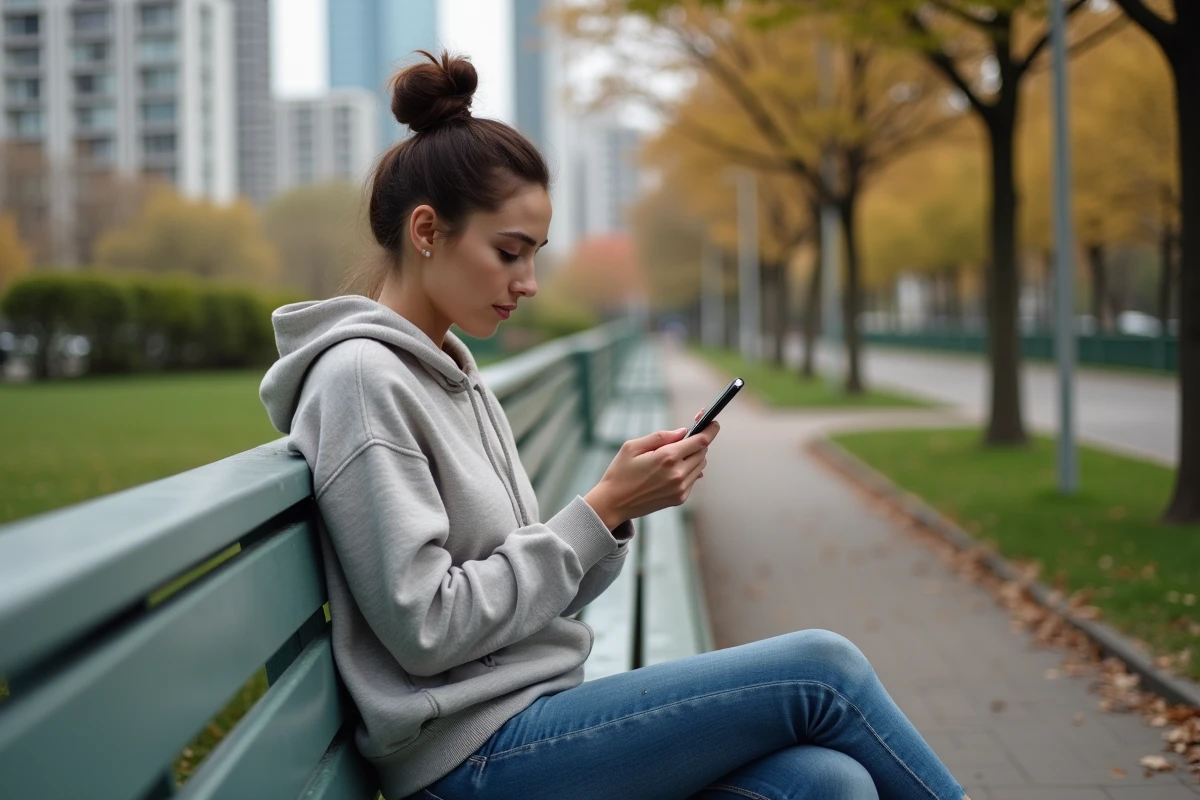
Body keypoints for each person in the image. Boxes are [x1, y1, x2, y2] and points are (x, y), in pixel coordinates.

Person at [259, 50, 968, 800]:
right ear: (427, 230)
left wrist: (616, 508)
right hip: (467, 760)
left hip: (524, 717)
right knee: (825, 672)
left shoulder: (449, 373)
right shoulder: (363, 380)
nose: (529, 283)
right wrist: (598, 510)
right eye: (509, 253)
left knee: (829, 783)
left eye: (535, 256)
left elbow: (528, 598)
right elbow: (428, 626)